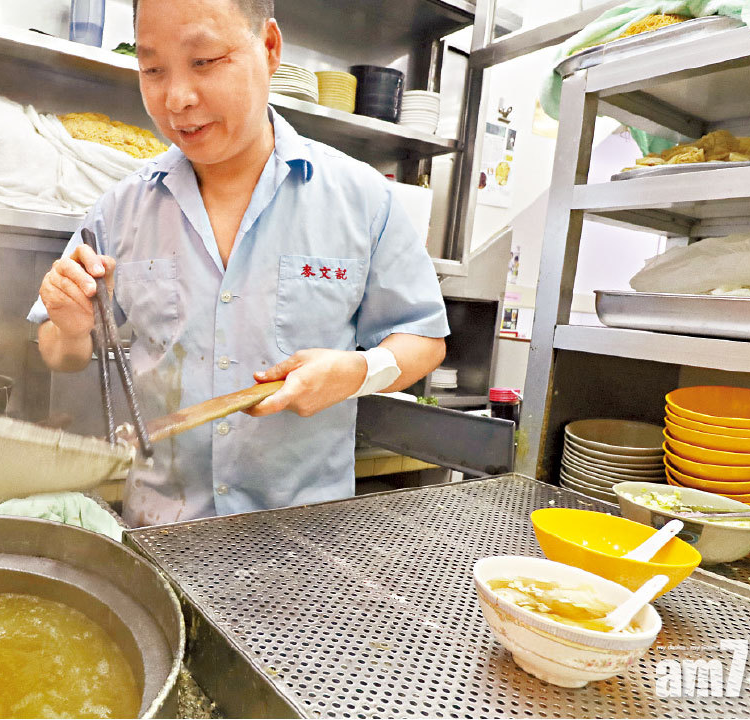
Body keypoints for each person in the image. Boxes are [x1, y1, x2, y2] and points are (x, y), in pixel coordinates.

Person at [29, 0, 448, 527]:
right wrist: (69, 329)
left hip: (305, 542)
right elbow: (58, 350)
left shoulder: (361, 197)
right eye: (153, 69)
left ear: (270, 48)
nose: (177, 98)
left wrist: (357, 371)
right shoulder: (121, 209)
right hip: (163, 534)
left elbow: (424, 339)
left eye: (204, 61)